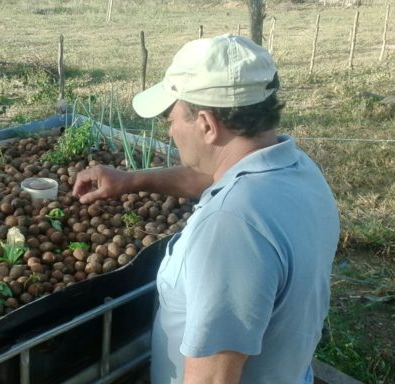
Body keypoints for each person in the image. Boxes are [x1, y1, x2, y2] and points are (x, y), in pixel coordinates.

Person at [73, 34, 339, 384]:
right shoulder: (297, 170)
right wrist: (130, 181)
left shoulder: (230, 227)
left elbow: (214, 379)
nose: (168, 132)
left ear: (207, 125)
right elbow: (215, 179)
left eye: (170, 119)